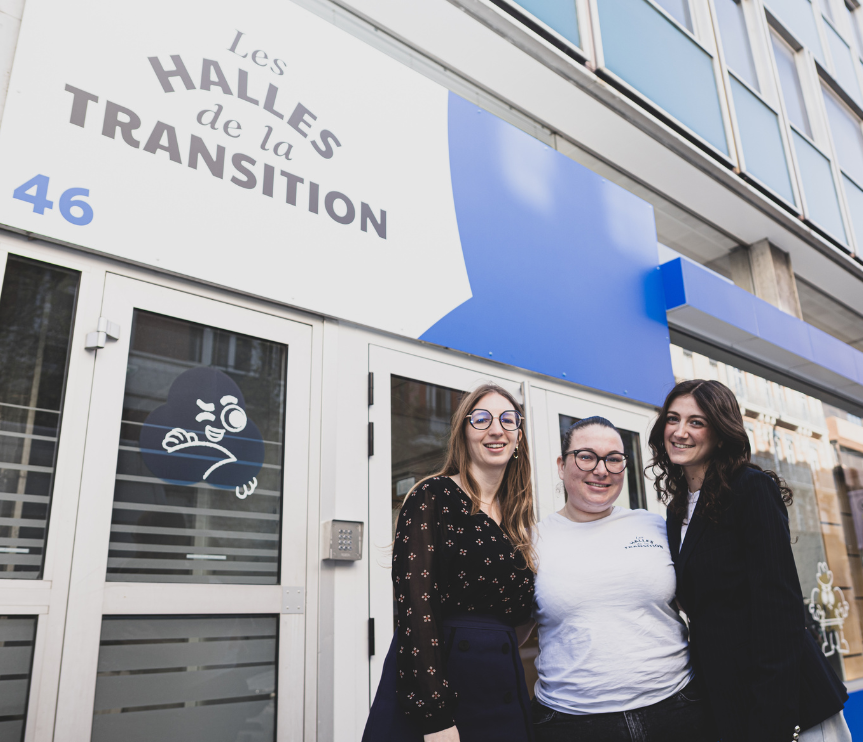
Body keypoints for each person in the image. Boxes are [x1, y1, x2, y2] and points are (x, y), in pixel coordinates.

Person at [651, 379, 850, 742]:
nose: (680, 432)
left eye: (696, 422)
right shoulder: (677, 509)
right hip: (730, 703)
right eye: (673, 419)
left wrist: (770, 723)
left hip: (786, 708)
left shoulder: (750, 487)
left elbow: (780, 613)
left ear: (721, 433)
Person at [363, 383, 537, 742]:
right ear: (464, 434)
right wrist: (435, 719)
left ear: (518, 438)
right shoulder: (432, 496)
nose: (496, 429)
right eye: (481, 419)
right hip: (440, 688)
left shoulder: (519, 518)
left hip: (502, 687)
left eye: (508, 420)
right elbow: (415, 611)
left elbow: (518, 623)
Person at [529, 416, 716, 742]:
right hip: (572, 724)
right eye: (586, 456)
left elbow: (703, 602)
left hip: (678, 710)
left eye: (614, 459)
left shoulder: (657, 526)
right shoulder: (531, 541)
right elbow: (512, 633)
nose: (601, 470)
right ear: (562, 465)